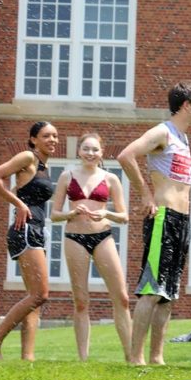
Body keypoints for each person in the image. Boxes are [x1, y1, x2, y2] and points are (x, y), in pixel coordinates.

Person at [117, 81, 191, 366]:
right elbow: (126, 155)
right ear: (186, 105)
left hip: (182, 221)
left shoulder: (184, 138)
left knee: (168, 294)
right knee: (152, 290)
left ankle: (157, 357)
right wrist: (145, 193)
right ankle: (135, 358)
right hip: (164, 218)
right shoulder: (162, 132)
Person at [50, 133, 131, 362]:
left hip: (103, 236)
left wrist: (106, 212)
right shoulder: (67, 176)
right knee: (81, 301)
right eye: (86, 149)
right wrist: (71, 213)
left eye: (95, 149)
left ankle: (132, 356)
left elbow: (124, 216)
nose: (90, 153)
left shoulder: (111, 178)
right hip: (75, 237)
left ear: (101, 152)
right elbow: (55, 214)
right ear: (79, 151)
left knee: (122, 297)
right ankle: (83, 359)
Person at [0, 121, 59, 361]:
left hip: (36, 229)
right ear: (33, 139)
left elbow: (20, 188)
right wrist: (19, 204)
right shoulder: (27, 156)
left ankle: (28, 356)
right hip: (25, 230)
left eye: (55, 136)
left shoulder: (43, 165)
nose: (52, 140)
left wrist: (19, 197)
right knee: (40, 295)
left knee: (34, 296)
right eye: (46, 136)